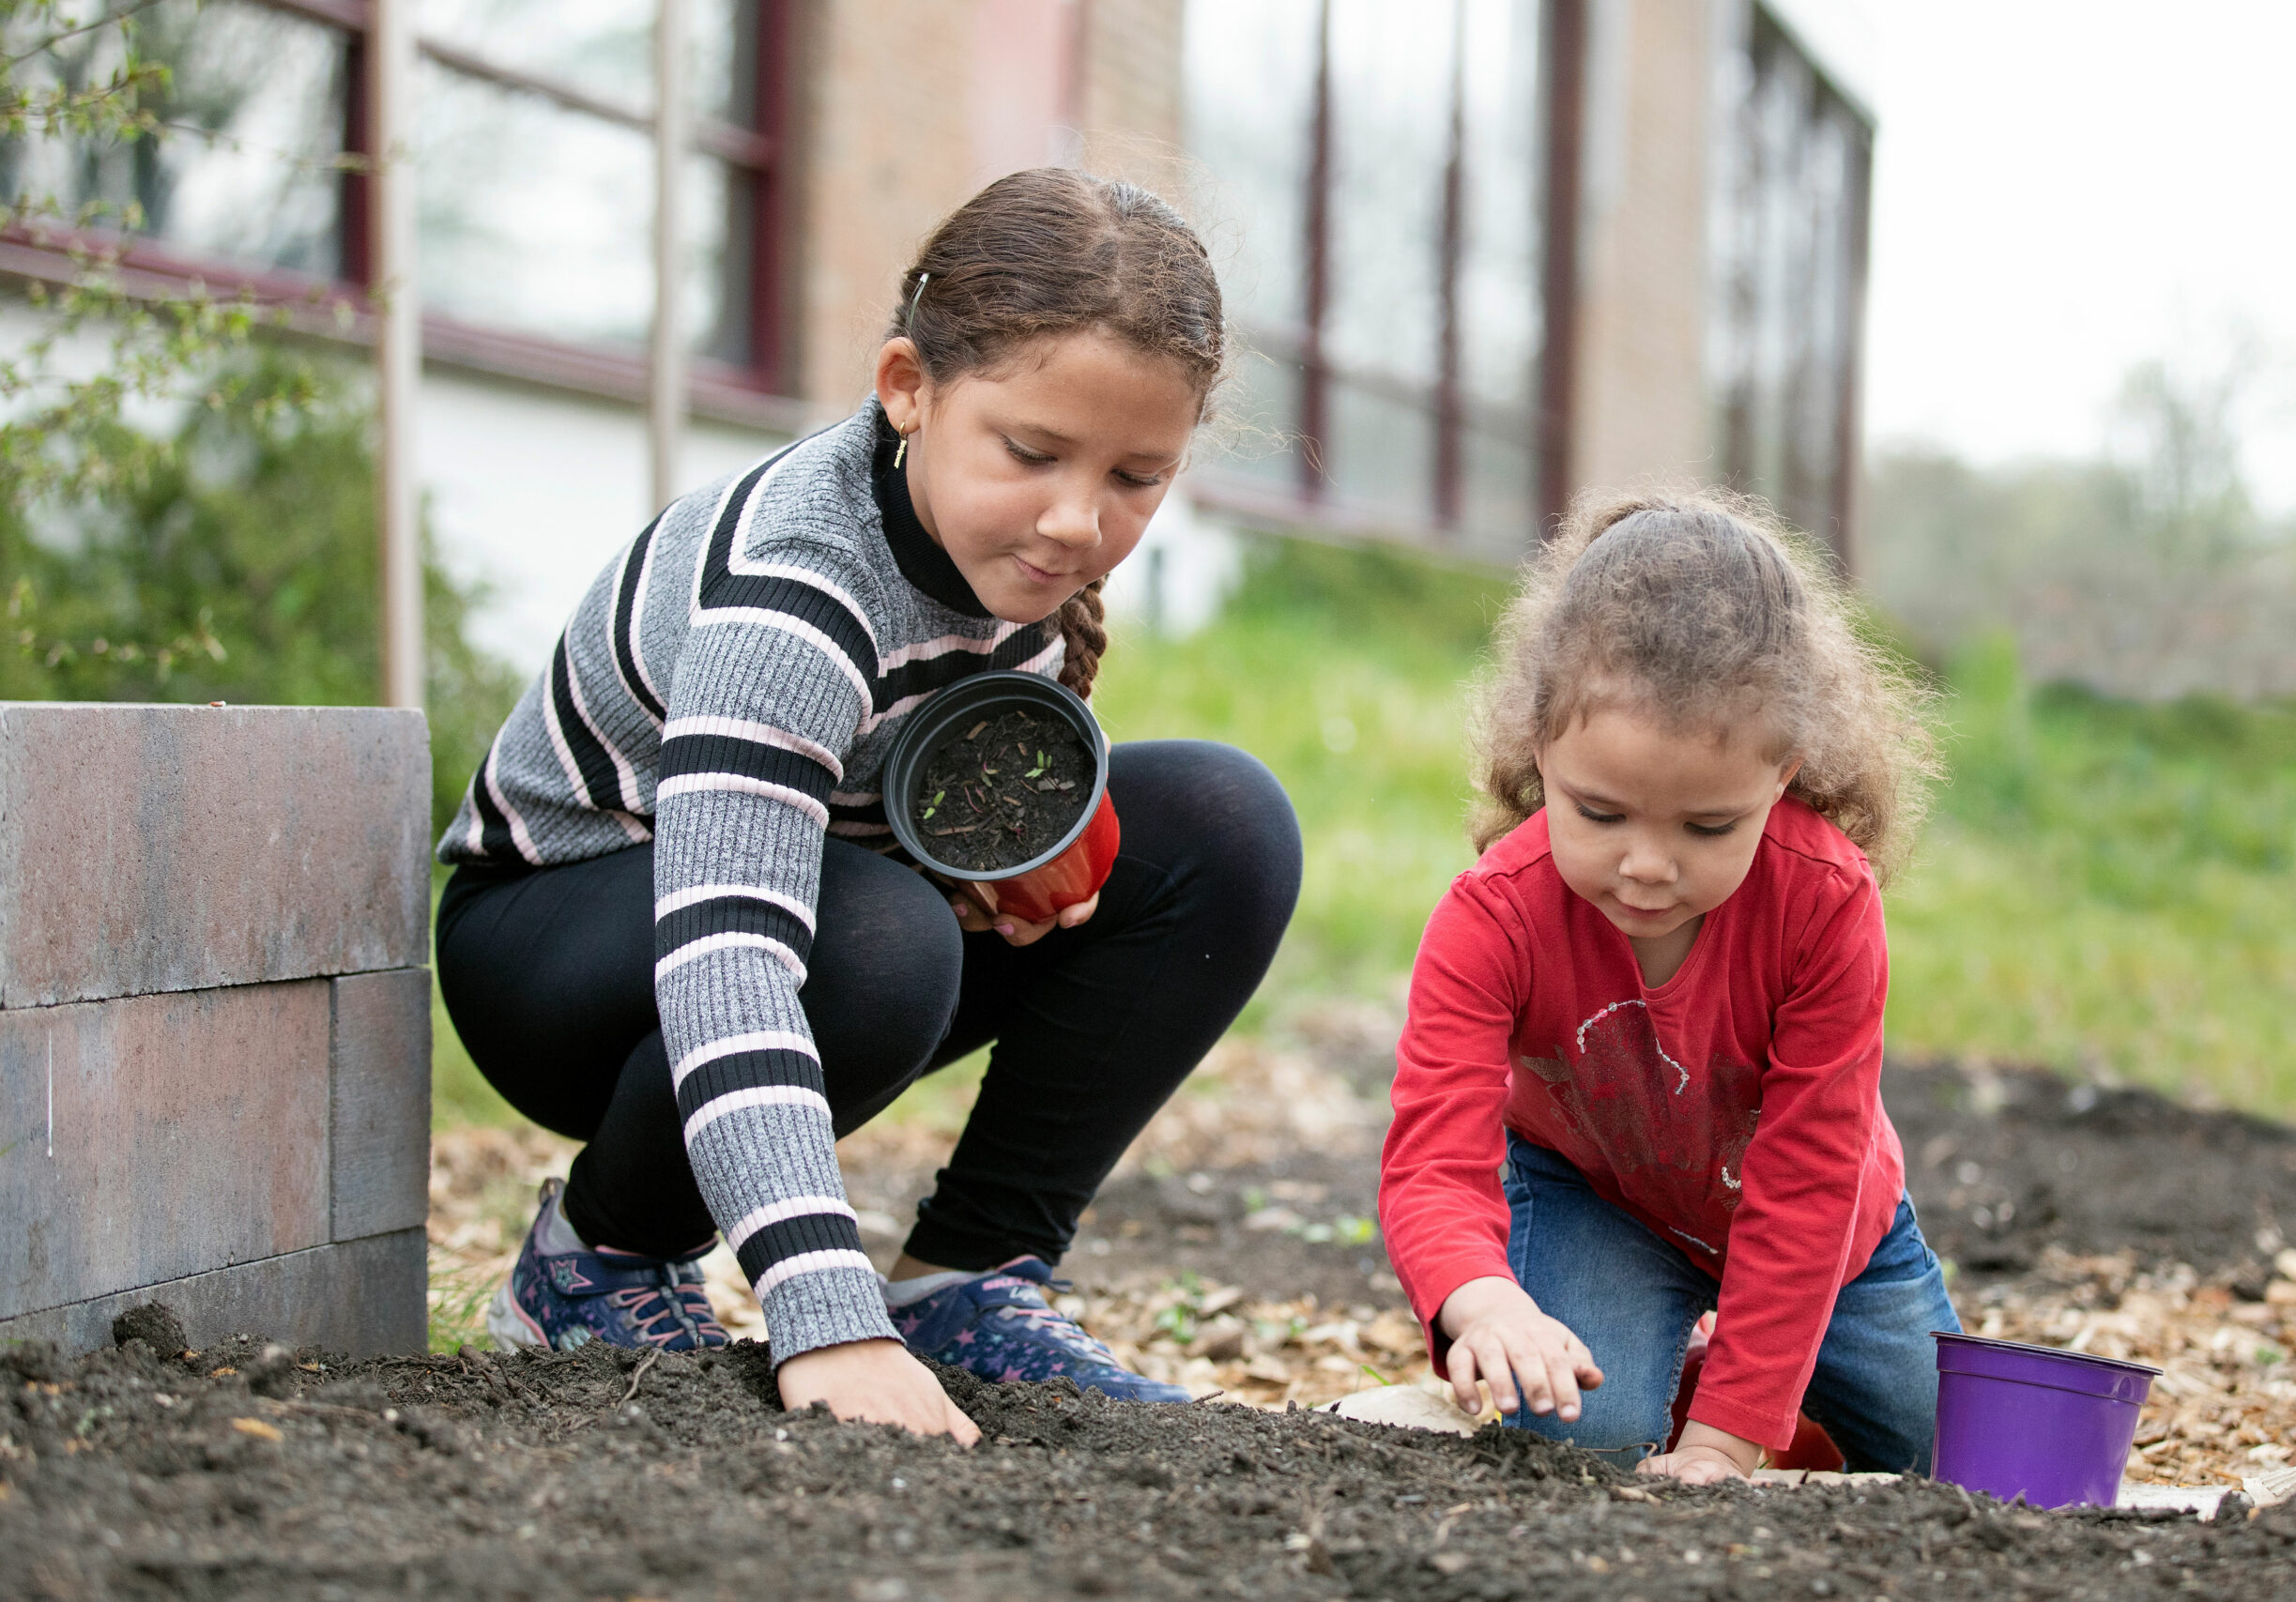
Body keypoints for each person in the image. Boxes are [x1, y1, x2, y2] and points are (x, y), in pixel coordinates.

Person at [435, 169, 1302, 1445]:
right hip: (561, 948)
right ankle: (600, 1260)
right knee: (880, 938)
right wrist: (824, 1313)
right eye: (1033, 452)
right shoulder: (799, 591)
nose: (1078, 519)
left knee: (1223, 823)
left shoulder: (1011, 560)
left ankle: (971, 1277)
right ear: (910, 387)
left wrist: (998, 859)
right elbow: (734, 957)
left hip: (832, 901)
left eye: (1136, 475)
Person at [1377, 492, 1954, 1483]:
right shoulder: (1492, 918)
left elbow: (1810, 1176)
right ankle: (1679, 1374)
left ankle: (1749, 1401)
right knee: (1578, 1438)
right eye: (1599, 812)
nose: (1646, 866)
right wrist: (1486, 1300)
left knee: (1933, 1445)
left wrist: (1727, 1443)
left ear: (1785, 774)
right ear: (1539, 747)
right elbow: (1434, 1156)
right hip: (1600, 1199)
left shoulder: (1823, 903)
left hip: (1824, 1223)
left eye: (1705, 828)